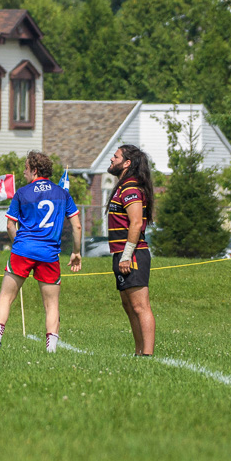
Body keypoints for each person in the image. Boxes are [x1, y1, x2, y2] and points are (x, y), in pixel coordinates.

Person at [0, 152, 82, 353]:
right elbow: (77, 227)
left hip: (22, 250)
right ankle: (51, 349)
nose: (23, 172)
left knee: (6, 297)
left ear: (35, 169)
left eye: (26, 168)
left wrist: (18, 245)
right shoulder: (62, 193)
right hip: (49, 254)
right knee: (51, 304)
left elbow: (9, 225)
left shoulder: (22, 193)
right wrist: (76, 252)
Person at [105, 144, 156, 356]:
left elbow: (135, 224)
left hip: (133, 255)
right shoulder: (122, 187)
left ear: (127, 163)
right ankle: (138, 351)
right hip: (121, 253)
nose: (111, 159)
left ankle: (148, 354)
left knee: (140, 306)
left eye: (115, 157)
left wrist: (126, 256)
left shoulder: (131, 188)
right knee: (128, 305)